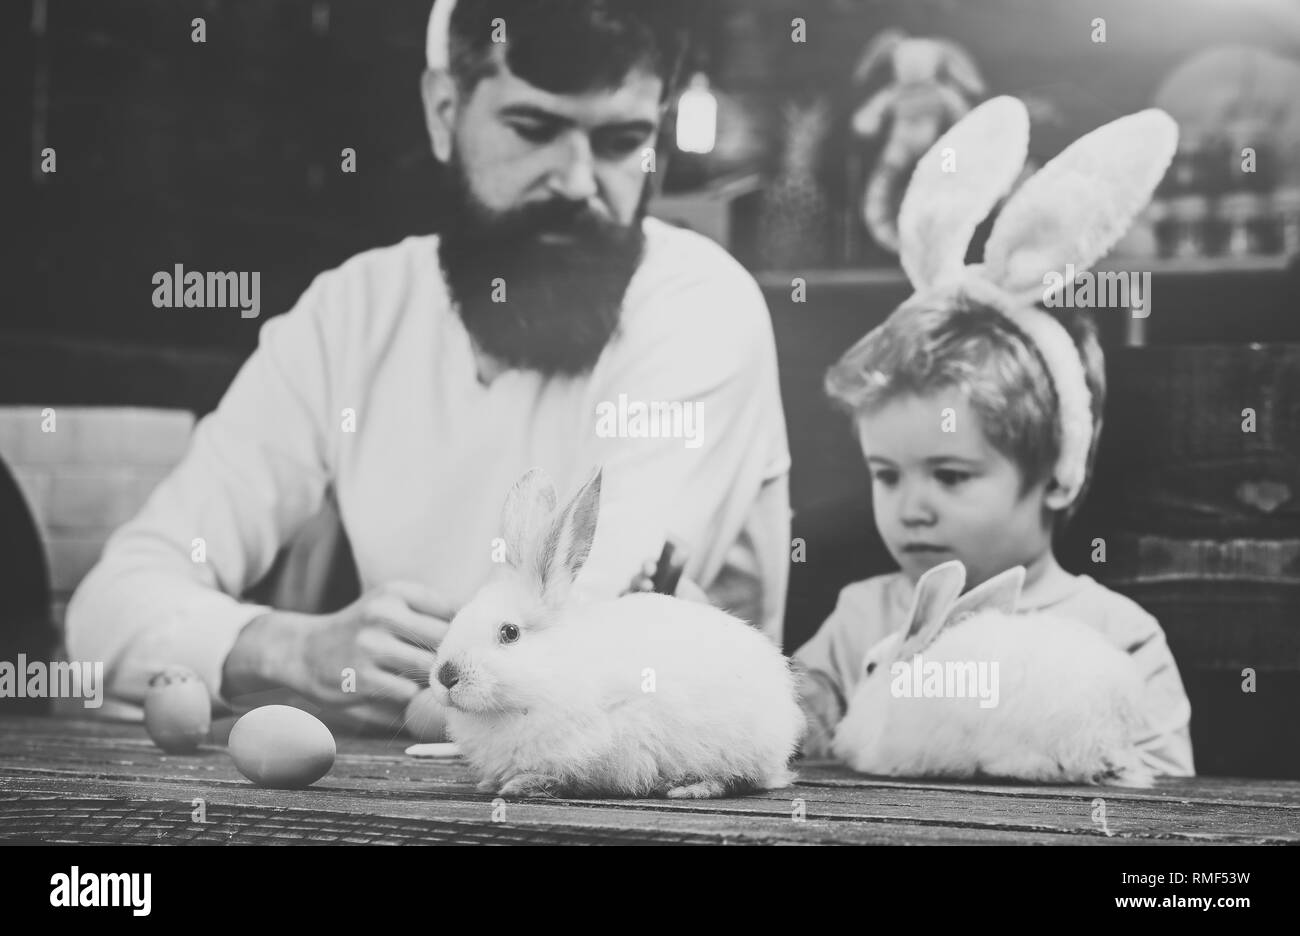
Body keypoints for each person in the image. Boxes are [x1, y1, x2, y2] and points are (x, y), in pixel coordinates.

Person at [66, 0, 791, 733]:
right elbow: (107, 612)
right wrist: (285, 648)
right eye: (533, 129)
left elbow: (584, 665)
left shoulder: (699, 308)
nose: (576, 181)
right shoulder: (351, 314)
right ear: (444, 111)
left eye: (620, 140)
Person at [792, 97, 1194, 777]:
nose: (911, 507)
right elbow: (800, 719)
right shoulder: (863, 619)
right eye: (887, 474)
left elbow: (1164, 794)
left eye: (951, 475)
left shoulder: (1116, 637)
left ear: (1058, 471)